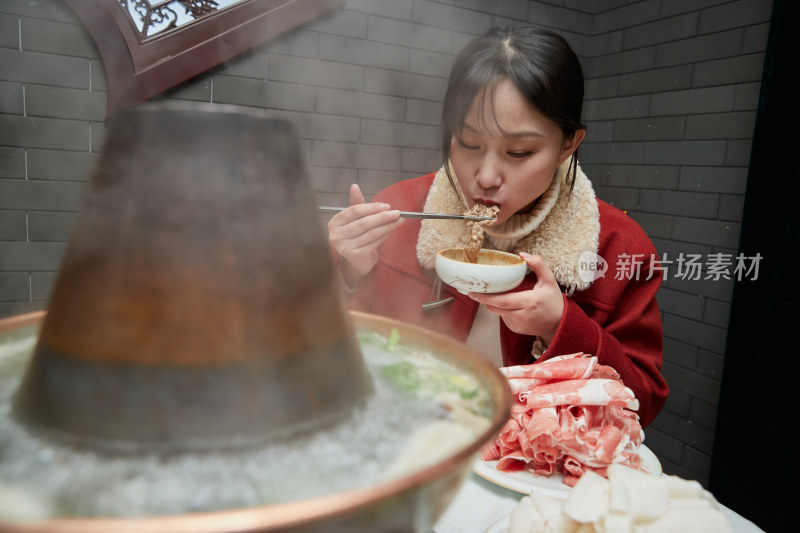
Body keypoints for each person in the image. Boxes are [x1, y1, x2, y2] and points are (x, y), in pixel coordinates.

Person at [327, 26, 667, 427]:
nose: (486, 176)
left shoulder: (617, 247)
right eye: (469, 144)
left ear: (568, 145)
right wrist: (348, 271)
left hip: (529, 467)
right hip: (406, 438)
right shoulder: (400, 211)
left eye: (519, 152)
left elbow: (639, 406)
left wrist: (560, 326)